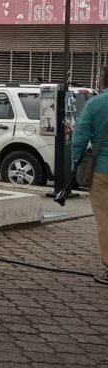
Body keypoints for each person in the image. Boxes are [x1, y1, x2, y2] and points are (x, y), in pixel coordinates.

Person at [72, 64, 108, 285]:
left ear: (105, 79)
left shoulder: (95, 103)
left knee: (106, 220)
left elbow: (80, 137)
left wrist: (76, 164)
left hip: (102, 171)